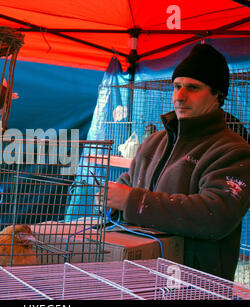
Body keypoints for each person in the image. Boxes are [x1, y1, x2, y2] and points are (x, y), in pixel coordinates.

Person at [101, 43, 250, 281]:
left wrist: (133, 202)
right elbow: (125, 186)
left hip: (195, 284)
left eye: (193, 87)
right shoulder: (153, 142)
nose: (180, 96)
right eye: (177, 86)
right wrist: (109, 199)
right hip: (142, 275)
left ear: (218, 95)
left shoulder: (233, 151)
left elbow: (216, 215)